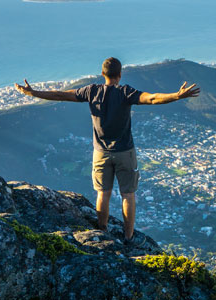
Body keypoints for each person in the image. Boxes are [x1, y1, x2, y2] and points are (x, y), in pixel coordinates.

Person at [14, 57, 200, 245]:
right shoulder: (126, 92)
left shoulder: (91, 91)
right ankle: (129, 237)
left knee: (103, 193)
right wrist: (176, 96)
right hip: (125, 152)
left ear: (102, 74)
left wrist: (33, 93)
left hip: (100, 152)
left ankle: (102, 231)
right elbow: (151, 98)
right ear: (120, 75)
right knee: (128, 195)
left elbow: (60, 95)